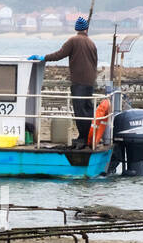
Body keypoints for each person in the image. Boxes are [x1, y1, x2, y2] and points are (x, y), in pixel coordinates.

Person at [40, 17, 99, 146]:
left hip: (79, 81)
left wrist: (44, 58)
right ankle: (88, 136)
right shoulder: (91, 43)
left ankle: (83, 138)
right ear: (86, 28)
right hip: (90, 81)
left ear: (76, 29)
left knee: (79, 110)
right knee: (88, 109)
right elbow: (95, 62)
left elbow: (59, 54)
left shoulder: (73, 40)